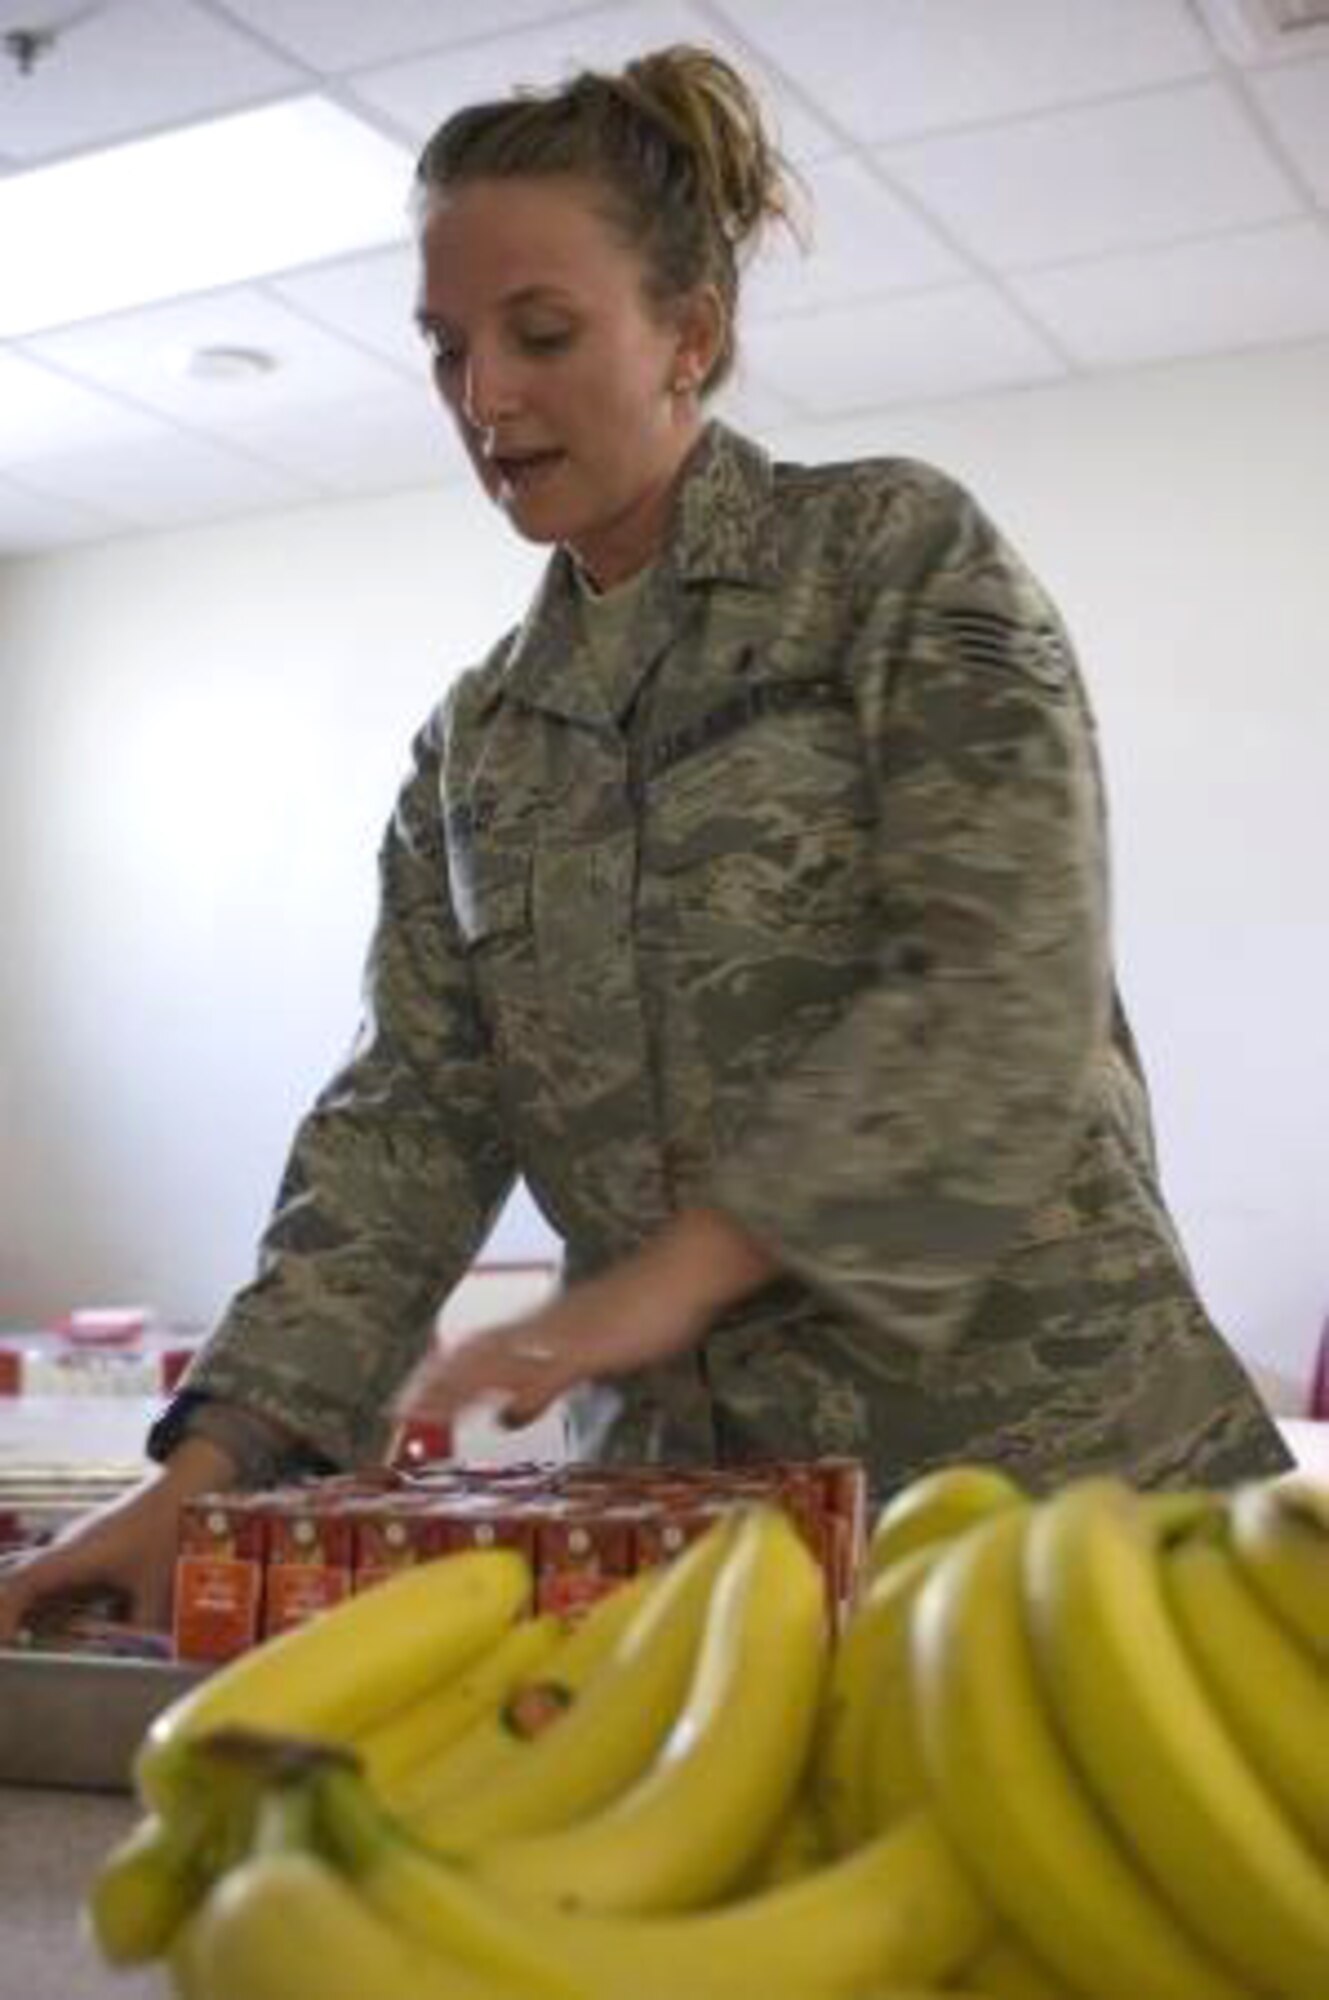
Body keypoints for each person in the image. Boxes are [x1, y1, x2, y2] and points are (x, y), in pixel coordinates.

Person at [0, 45, 1289, 1644]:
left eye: (539, 334)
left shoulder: (888, 556)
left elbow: (999, 974)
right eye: (446, 346)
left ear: (692, 336)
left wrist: (661, 1282)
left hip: (1043, 1488)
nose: (484, 397)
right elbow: (401, 1129)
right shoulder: (476, 748)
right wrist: (201, 1479)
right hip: (696, 1540)